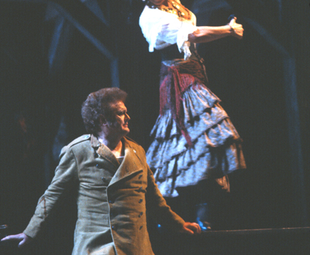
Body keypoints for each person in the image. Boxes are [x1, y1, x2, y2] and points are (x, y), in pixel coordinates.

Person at [125, 0, 246, 229]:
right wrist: (228, 30)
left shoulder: (174, 3)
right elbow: (192, 34)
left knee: (200, 147)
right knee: (205, 135)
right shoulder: (151, 18)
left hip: (194, 74)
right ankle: (172, 218)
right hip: (179, 81)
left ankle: (195, 218)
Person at [1, 87, 201, 255]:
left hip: (137, 248)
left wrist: (179, 224)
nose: (127, 117)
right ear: (102, 120)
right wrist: (30, 232)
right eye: (121, 113)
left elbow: (154, 200)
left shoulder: (137, 151)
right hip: (96, 248)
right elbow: (52, 195)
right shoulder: (78, 151)